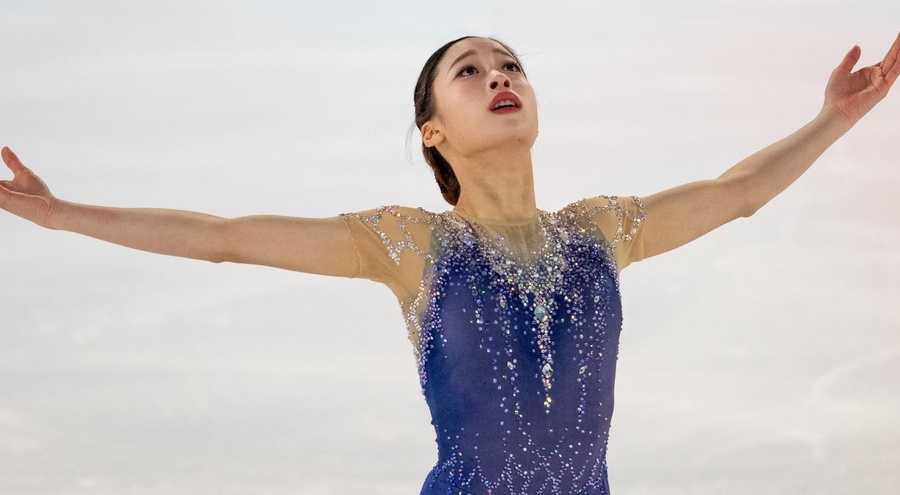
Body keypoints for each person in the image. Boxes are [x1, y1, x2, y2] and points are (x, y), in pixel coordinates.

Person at [2, 34, 898, 494]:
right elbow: (225, 232)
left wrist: (834, 121)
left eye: (509, 64)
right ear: (433, 130)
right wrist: (60, 214)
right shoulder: (410, 245)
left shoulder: (601, 230)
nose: (498, 76)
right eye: (467, 72)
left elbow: (736, 190)